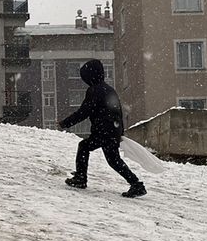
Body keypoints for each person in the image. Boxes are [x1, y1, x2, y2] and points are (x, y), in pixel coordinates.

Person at [58, 59, 146, 198]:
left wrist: (65, 123)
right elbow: (119, 112)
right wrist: (119, 132)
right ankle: (136, 184)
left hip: (103, 131)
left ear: (89, 76)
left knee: (84, 147)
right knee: (113, 160)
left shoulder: (94, 90)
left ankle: (81, 178)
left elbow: (84, 112)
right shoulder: (109, 90)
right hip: (112, 130)